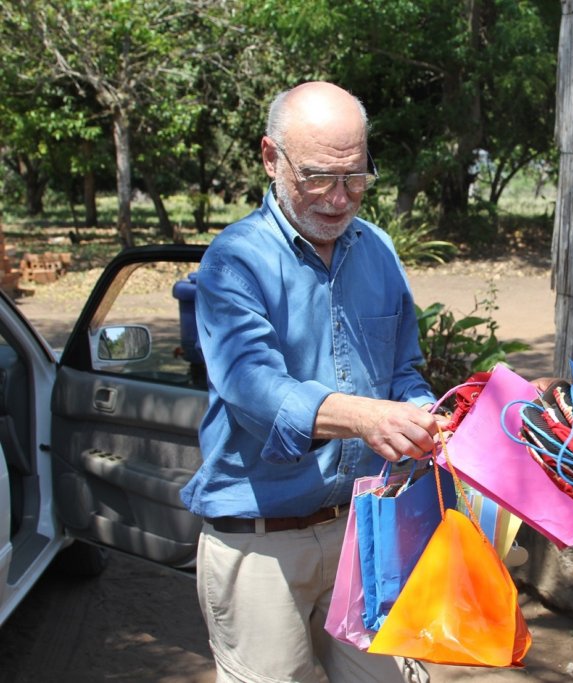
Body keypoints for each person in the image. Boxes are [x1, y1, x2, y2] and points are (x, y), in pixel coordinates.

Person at [180, 82, 439, 682]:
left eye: (356, 177)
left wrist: (428, 416)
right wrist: (366, 417)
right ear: (272, 158)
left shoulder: (378, 250)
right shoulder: (234, 259)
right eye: (320, 177)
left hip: (365, 531)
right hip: (260, 541)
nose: (340, 198)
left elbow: (402, 371)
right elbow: (252, 387)